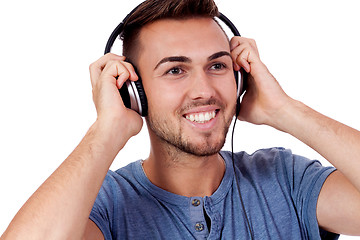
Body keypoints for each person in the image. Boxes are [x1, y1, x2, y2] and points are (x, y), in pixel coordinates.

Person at [2, 0, 360, 239]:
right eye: (175, 70)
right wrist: (106, 131)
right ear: (134, 91)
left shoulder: (286, 180)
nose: (204, 89)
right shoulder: (105, 203)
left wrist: (286, 111)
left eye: (217, 66)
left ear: (239, 78)